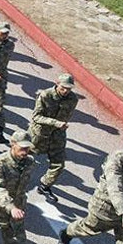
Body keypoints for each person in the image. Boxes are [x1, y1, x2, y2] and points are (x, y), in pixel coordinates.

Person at [30, 73, 79, 203]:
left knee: (59, 164)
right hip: (40, 134)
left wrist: (59, 127)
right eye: (63, 87)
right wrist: (55, 123)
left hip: (57, 135)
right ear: (57, 83)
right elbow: (36, 117)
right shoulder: (45, 95)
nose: (66, 91)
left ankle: (45, 186)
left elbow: (67, 115)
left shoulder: (73, 99)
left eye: (69, 88)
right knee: (24, 157)